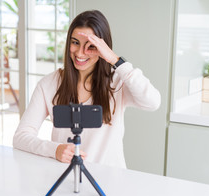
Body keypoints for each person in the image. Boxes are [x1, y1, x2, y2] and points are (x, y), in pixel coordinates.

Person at [13, 10, 161, 168]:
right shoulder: (49, 84)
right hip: (67, 177)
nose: (80, 53)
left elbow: (152, 102)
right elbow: (21, 137)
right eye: (75, 42)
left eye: (90, 46)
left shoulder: (118, 82)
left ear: (103, 48)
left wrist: (114, 60)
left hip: (109, 180)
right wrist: (55, 149)